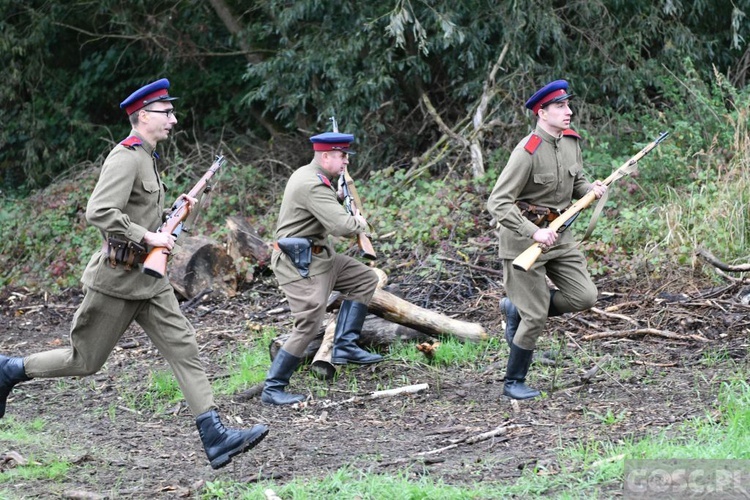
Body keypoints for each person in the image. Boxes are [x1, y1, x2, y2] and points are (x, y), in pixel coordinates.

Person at [0, 78, 268, 469]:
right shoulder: (125, 157)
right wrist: (149, 234)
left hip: (150, 280)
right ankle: (10, 369)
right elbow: (100, 211)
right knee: (85, 361)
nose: (173, 120)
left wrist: (174, 213)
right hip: (118, 279)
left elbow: (140, 213)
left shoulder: (149, 157)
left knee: (185, 347)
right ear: (143, 116)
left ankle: (215, 437)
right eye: (167, 113)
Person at [487, 80, 606, 400]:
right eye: (560, 107)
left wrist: (591, 191)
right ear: (542, 113)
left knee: (585, 296)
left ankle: (516, 309)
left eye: (568, 105)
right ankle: (513, 382)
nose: (568, 112)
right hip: (524, 242)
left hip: (560, 236)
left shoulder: (570, 142)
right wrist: (533, 231)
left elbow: (576, 180)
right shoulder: (526, 152)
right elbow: (497, 202)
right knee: (536, 316)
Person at [261, 131, 384, 406]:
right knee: (309, 323)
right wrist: (362, 223)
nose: (346, 162)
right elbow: (341, 227)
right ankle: (273, 387)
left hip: (319, 257)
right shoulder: (312, 184)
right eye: (342, 156)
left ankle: (345, 346)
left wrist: (340, 197)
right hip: (299, 264)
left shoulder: (314, 176)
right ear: (325, 156)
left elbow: (323, 210)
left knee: (364, 279)